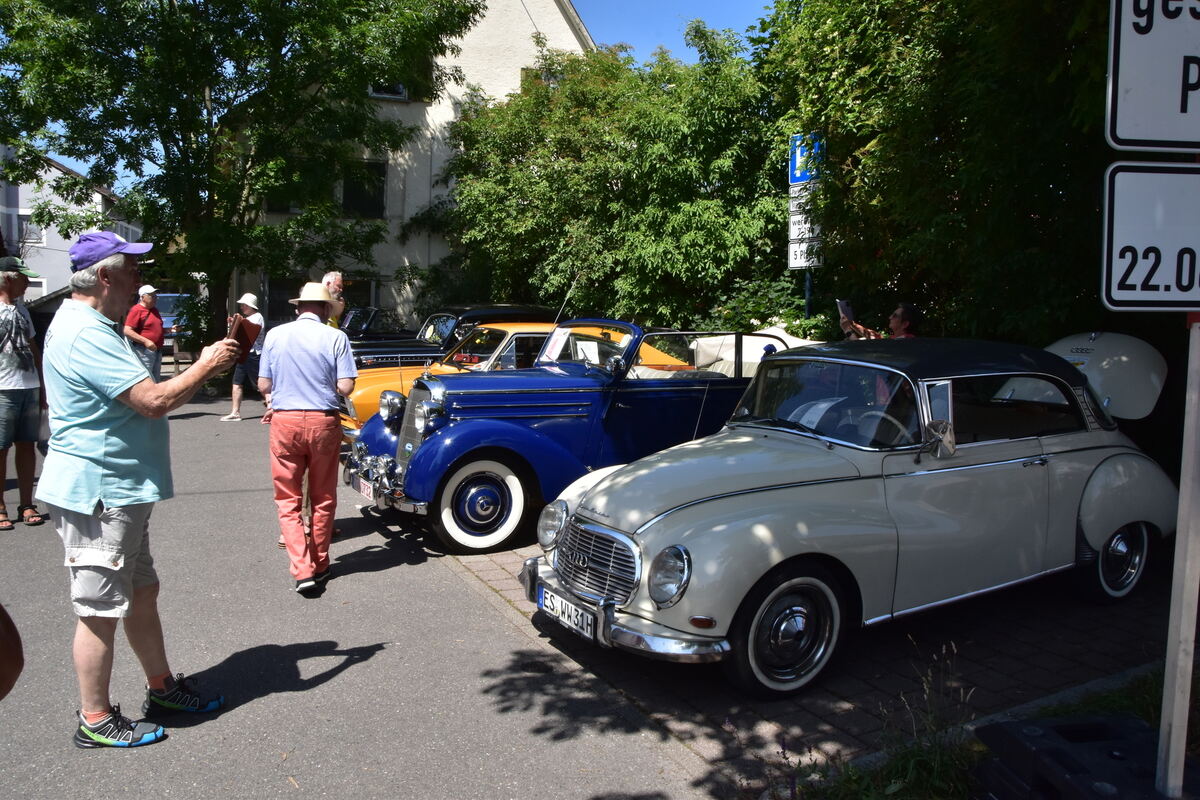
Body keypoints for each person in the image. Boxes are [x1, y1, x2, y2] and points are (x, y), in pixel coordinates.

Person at [37, 230, 239, 749]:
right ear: (104, 276)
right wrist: (207, 364)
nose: (140, 278)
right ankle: (95, 718)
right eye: (133, 269)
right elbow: (151, 400)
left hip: (119, 491)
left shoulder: (93, 324)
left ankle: (162, 688)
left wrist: (204, 365)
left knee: (141, 591)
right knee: (99, 609)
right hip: (100, 492)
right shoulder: (87, 333)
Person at [259, 282, 356, 595]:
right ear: (326, 308)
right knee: (323, 497)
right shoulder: (336, 337)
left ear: (298, 307)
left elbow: (263, 383)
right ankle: (321, 562)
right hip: (322, 421)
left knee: (288, 501)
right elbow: (346, 387)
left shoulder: (275, 335)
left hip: (285, 421)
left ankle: (302, 571)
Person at [0, 256, 47, 529]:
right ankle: (1, 506)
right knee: (1, 448)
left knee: (27, 446)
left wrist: (43, 387)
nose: (27, 283)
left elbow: (34, 348)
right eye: (23, 277)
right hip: (3, 389)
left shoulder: (22, 310)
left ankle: (27, 504)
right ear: (7, 277)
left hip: (29, 387)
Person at [219, 292, 266, 421]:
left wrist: (237, 321)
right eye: (242, 305)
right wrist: (234, 322)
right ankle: (235, 412)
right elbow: (238, 332)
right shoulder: (249, 318)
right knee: (237, 382)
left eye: (245, 305)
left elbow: (249, 330)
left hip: (254, 355)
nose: (242, 307)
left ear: (251, 306)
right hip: (244, 353)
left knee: (261, 384)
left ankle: (274, 408)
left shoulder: (257, 317)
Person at [123, 284, 174, 381]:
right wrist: (146, 341)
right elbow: (127, 331)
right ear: (142, 297)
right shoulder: (136, 310)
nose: (155, 298)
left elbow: (156, 329)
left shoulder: (154, 310)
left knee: (155, 379)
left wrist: (169, 330)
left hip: (157, 350)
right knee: (146, 379)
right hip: (143, 350)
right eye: (152, 296)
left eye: (155, 296)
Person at [841, 302, 921, 340]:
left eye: (895, 316)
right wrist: (852, 323)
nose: (890, 317)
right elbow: (872, 336)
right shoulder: (896, 339)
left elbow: (859, 350)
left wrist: (847, 330)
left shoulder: (904, 343)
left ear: (905, 324)